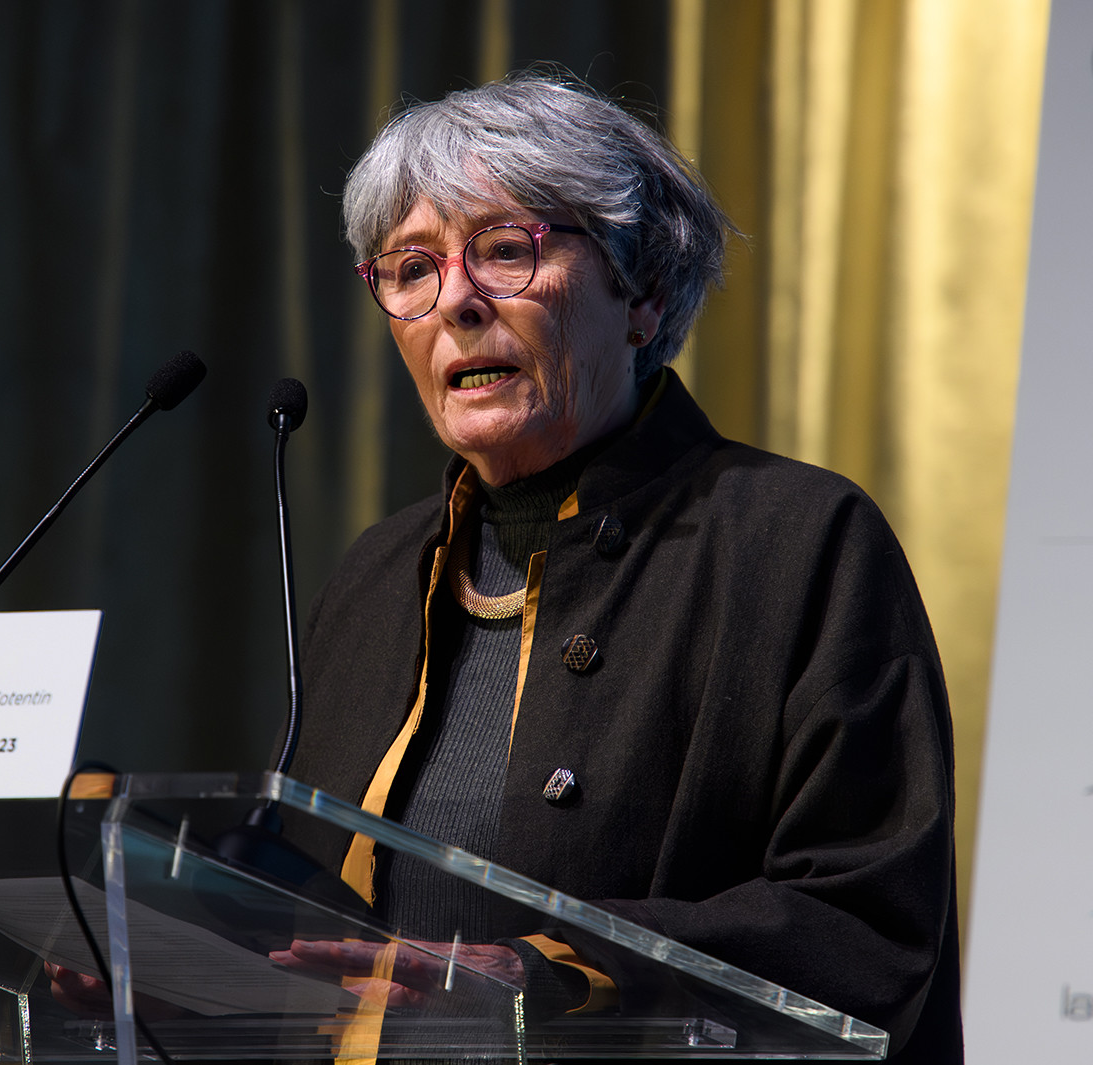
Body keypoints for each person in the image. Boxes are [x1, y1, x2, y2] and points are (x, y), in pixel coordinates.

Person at [276, 74, 963, 1062]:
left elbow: (864, 927)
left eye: (506, 250)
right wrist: (187, 983)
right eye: (410, 267)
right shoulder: (380, 574)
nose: (455, 301)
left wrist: (553, 971)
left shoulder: (793, 541)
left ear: (640, 293)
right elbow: (305, 927)